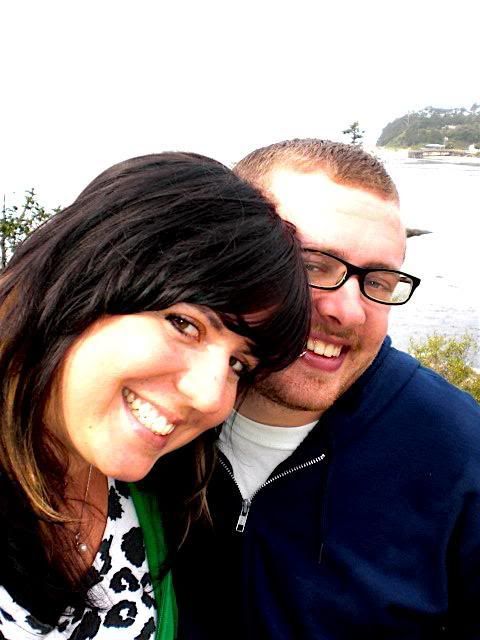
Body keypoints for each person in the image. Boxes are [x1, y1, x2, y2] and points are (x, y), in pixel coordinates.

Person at [167, 140, 480, 639]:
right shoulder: (144, 409)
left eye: (379, 280)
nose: (349, 311)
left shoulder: (460, 454)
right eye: (312, 264)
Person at [0, 152, 311, 640]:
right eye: (184, 324)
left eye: (238, 364)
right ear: (78, 281)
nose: (210, 397)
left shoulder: (151, 494)